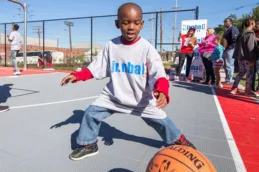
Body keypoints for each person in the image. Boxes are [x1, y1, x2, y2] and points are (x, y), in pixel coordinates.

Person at [60, 2, 196, 161]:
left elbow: (158, 74)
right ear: (117, 24)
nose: (131, 27)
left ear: (142, 24)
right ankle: (88, 144)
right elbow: (96, 68)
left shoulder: (147, 48)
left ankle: (177, 140)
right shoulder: (112, 46)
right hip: (113, 97)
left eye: (136, 23)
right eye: (126, 22)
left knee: (162, 121)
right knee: (91, 113)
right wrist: (78, 76)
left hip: (141, 100)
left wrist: (162, 91)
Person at [230, 18, 259, 95]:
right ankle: (247, 90)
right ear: (251, 23)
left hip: (240, 57)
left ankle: (234, 88)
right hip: (248, 57)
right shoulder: (250, 34)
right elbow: (250, 47)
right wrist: (253, 59)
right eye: (254, 23)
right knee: (249, 73)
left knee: (240, 72)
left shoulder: (241, 34)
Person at [223, 18, 240, 84]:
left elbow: (235, 38)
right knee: (225, 64)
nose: (225, 23)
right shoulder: (226, 30)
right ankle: (227, 78)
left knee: (229, 64)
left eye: (226, 21)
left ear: (230, 22)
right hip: (226, 49)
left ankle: (230, 79)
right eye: (224, 21)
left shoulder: (233, 29)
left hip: (231, 48)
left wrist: (231, 46)